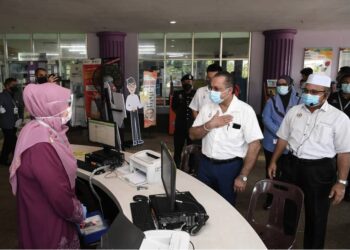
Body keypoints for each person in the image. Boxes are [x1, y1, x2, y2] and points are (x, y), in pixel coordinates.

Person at [268, 74, 350, 249]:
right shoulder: (294, 111)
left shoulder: (339, 118)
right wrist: (274, 161)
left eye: (314, 92)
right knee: (288, 210)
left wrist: (341, 182)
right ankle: (286, 244)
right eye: (306, 90)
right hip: (292, 165)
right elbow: (283, 138)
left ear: (326, 94)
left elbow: (344, 152)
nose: (308, 94)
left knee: (317, 215)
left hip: (319, 170)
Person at [9, 83, 86, 248]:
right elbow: (59, 195)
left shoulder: (35, 128)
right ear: (50, 107)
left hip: (36, 210)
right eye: (66, 104)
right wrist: (79, 212)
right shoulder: (42, 147)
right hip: (48, 222)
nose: (69, 109)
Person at [189, 71, 263, 206]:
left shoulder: (245, 111)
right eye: (211, 88)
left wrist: (243, 175)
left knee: (226, 205)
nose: (212, 92)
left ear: (229, 91)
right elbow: (192, 134)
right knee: (201, 202)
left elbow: (255, 145)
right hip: (205, 165)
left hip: (229, 168)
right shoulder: (207, 108)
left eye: (217, 89)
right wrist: (209, 125)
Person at [262, 75, 301, 209]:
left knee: (286, 173)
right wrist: (281, 132)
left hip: (290, 144)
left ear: (290, 85)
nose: (280, 86)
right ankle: (270, 198)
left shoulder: (299, 101)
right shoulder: (271, 101)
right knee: (271, 171)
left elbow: (300, 121)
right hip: (271, 144)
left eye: (284, 84)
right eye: (279, 84)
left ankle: (283, 199)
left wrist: (287, 134)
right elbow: (266, 119)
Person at [328, 68, 350, 201]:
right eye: (346, 82)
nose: (348, 84)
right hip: (332, 136)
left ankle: (345, 190)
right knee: (332, 164)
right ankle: (331, 187)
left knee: (346, 162)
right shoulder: (333, 97)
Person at [171, 74, 196, 167]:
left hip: (192, 126)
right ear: (182, 83)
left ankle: (192, 168)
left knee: (193, 149)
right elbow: (174, 107)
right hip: (180, 126)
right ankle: (176, 166)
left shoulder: (196, 93)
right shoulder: (178, 94)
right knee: (178, 148)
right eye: (186, 82)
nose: (188, 83)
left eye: (190, 82)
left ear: (192, 82)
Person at [0, 78, 24, 166]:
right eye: (13, 85)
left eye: (16, 84)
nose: (15, 86)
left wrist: (21, 118)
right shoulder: (2, 95)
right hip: (6, 123)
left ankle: (3, 159)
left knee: (7, 142)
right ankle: (16, 160)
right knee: (13, 141)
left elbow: (21, 106)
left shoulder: (16, 94)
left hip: (15, 122)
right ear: (7, 86)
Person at [125, 77, 144, 146]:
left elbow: (139, 105)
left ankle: (139, 139)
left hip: (136, 112)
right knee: (133, 126)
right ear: (127, 87)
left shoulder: (136, 96)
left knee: (137, 126)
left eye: (133, 86)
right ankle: (135, 140)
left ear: (135, 86)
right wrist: (131, 108)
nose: (132, 88)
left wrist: (144, 102)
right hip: (132, 113)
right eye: (130, 86)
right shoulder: (128, 97)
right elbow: (127, 106)